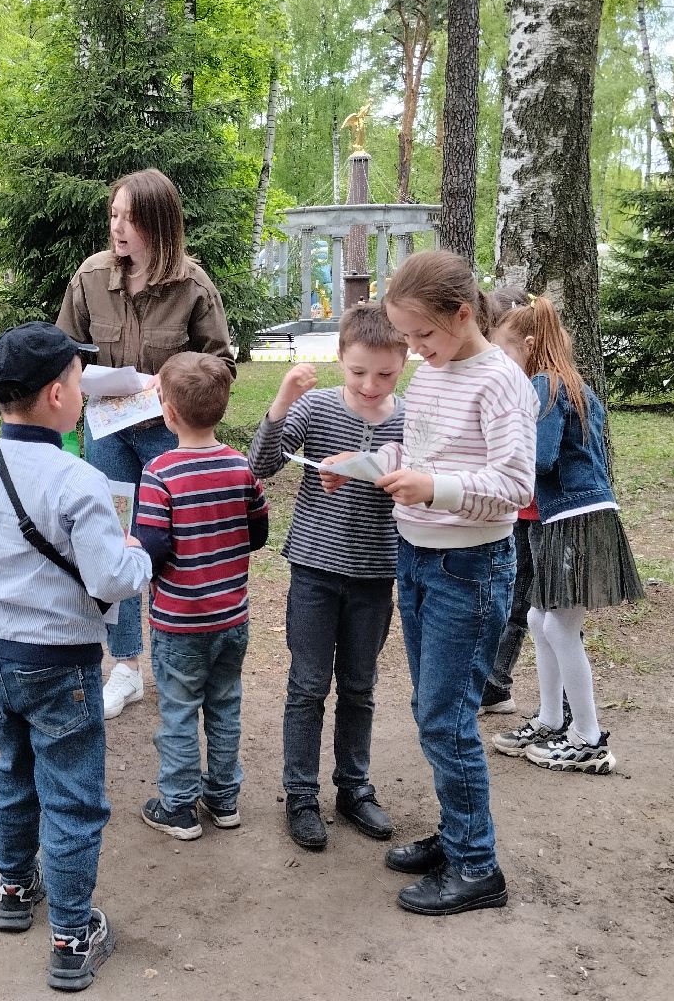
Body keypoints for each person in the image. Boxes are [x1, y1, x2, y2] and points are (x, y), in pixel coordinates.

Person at [0, 322, 153, 993]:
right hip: (62, 662)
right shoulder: (79, 480)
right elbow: (110, 579)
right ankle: (73, 935)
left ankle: (15, 890)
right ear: (56, 394)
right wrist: (137, 555)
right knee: (73, 797)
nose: (82, 394)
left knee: (14, 772)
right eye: (80, 383)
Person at [341, 249, 536, 915]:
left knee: (446, 720)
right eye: (407, 337)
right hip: (418, 558)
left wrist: (434, 489)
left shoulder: (500, 381)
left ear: (461, 314)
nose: (416, 350)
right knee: (433, 709)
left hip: (470, 569)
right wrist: (366, 463)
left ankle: (477, 866)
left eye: (422, 334)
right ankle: (458, 836)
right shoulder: (432, 375)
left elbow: (514, 485)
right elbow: (417, 453)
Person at [56, 168, 234, 719]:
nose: (117, 227)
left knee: (174, 538)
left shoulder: (193, 286)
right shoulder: (90, 277)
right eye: (113, 215)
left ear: (157, 224)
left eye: (129, 218)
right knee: (114, 538)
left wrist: (174, 380)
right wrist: (80, 375)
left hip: (169, 433)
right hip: (107, 432)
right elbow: (63, 350)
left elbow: (222, 364)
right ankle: (126, 667)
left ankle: (183, 656)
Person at [247, 303, 406, 852]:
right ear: (340, 357)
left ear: (404, 362)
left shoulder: (409, 419)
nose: (370, 385)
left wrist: (385, 471)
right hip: (315, 569)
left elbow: (423, 485)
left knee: (360, 686)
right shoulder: (315, 406)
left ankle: (354, 787)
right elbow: (260, 466)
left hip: (375, 573)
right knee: (308, 684)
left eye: (385, 374)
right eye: (359, 371)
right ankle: (300, 795)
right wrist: (283, 400)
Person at [489, 296, 644, 774]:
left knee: (558, 625)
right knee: (540, 619)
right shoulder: (566, 383)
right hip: (569, 515)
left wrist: (495, 448)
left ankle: (588, 738)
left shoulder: (545, 384)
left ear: (528, 344)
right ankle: (552, 720)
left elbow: (539, 458)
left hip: (576, 515)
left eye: (505, 352)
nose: (502, 363)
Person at [135, 352, 269, 841]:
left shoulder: (159, 473)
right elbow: (258, 534)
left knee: (178, 712)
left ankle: (177, 806)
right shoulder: (241, 466)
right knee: (225, 705)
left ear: (168, 412)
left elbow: (153, 548)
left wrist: (132, 550)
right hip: (231, 618)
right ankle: (224, 799)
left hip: (179, 621)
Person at [479, 285, 536, 715]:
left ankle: (495, 683)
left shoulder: (535, 387)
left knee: (521, 603)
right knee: (510, 601)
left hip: (534, 514)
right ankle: (493, 683)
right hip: (511, 512)